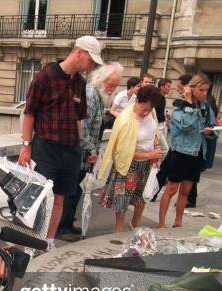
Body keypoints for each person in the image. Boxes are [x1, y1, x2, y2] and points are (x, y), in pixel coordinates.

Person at [19, 35, 102, 250]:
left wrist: (87, 148)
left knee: (59, 198)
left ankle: (47, 241)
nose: (91, 66)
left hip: (71, 150)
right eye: (91, 60)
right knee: (39, 197)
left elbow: (78, 120)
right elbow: (29, 113)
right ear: (79, 53)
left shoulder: (80, 84)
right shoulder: (46, 75)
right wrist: (26, 145)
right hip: (46, 147)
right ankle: (30, 241)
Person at [58, 62, 124, 241]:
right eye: (111, 84)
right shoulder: (90, 95)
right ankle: (62, 227)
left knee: (75, 190)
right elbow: (82, 128)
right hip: (79, 153)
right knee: (70, 191)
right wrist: (91, 149)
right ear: (102, 79)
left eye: (116, 85)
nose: (113, 89)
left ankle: (67, 224)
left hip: (83, 153)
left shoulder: (95, 95)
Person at [98, 86, 164, 233]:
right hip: (128, 164)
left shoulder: (151, 112)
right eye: (144, 109)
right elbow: (123, 152)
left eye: (150, 109)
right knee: (123, 198)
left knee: (142, 196)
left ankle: (136, 223)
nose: (146, 112)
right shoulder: (126, 119)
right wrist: (149, 155)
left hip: (146, 163)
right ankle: (119, 227)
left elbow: (154, 133)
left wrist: (156, 146)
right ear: (137, 101)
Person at [158, 74, 218, 228]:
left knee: (186, 191)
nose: (205, 93)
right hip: (180, 152)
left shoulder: (206, 107)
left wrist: (210, 132)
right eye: (202, 90)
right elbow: (186, 125)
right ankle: (162, 223)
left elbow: (214, 127)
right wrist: (190, 103)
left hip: (197, 153)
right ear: (191, 89)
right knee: (171, 189)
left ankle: (178, 222)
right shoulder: (180, 106)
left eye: (207, 90)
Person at [152, 74, 192, 202]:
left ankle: (155, 177)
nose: (173, 88)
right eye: (169, 86)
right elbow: (185, 124)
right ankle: (154, 169)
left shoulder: (165, 98)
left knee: (165, 159)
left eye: (177, 85)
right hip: (165, 133)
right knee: (163, 151)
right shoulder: (180, 102)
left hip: (165, 129)